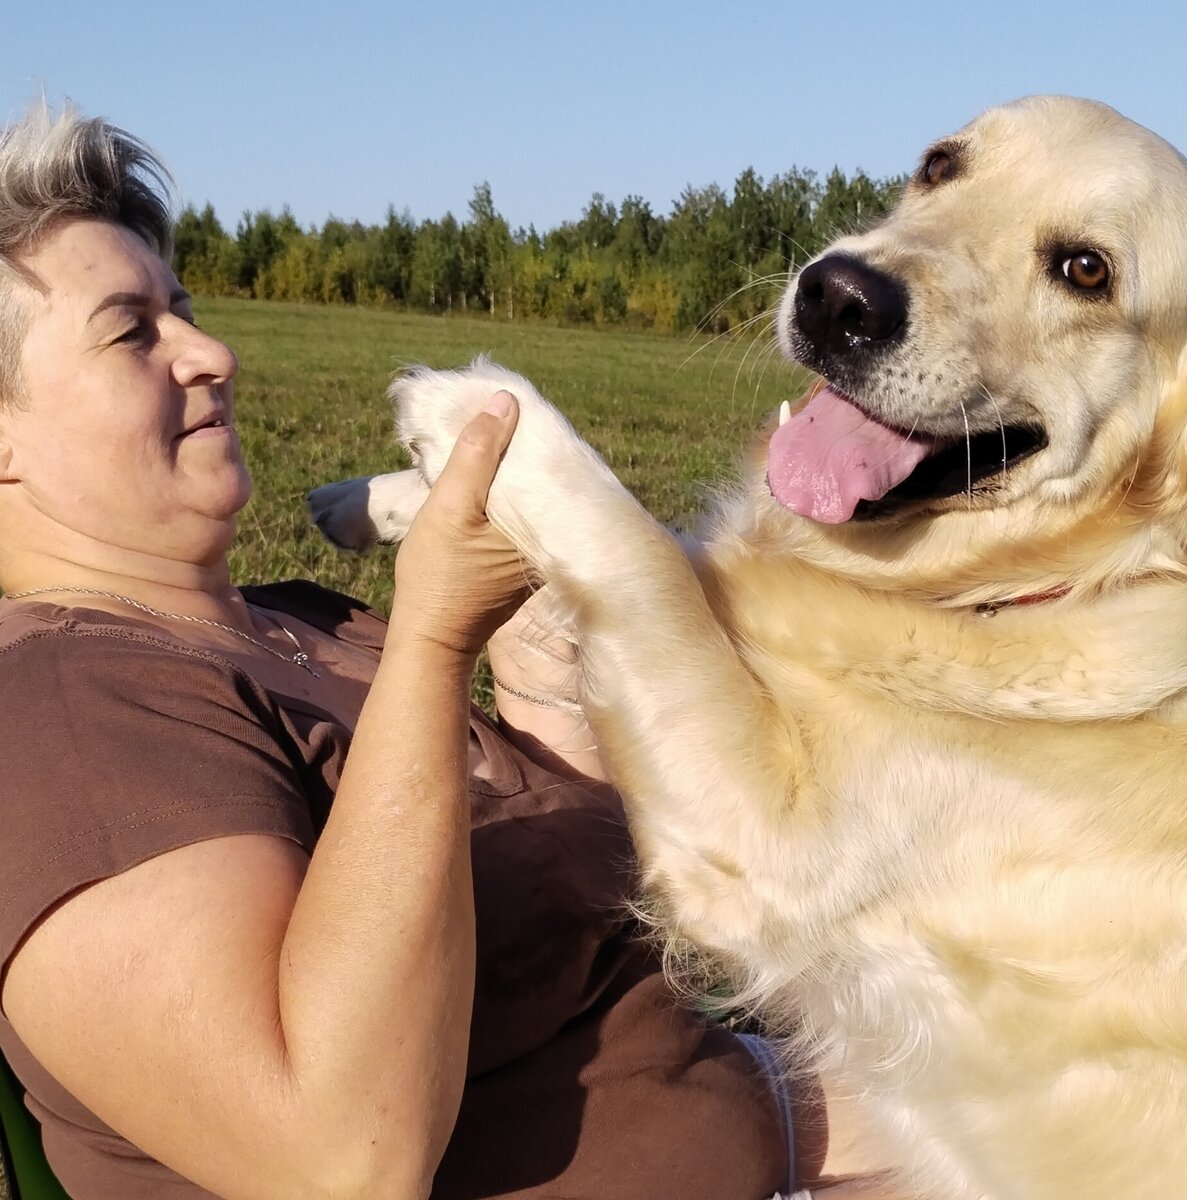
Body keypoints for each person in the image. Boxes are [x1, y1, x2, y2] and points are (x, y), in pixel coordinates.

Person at [0, 102, 851, 1200]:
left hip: (784, 1104)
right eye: (132, 332)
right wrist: (435, 641)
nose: (214, 352)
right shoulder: (61, 715)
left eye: (186, 310)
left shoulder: (301, 622)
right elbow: (335, 1154)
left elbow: (552, 890)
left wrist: (545, 685)